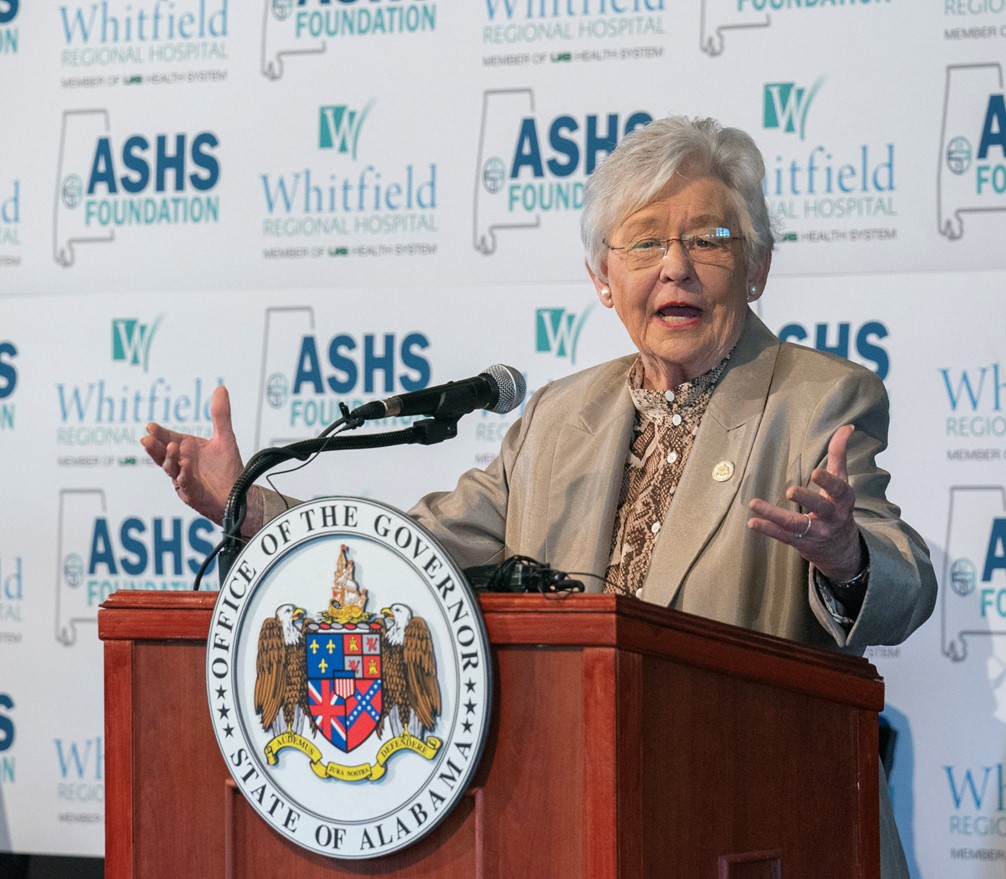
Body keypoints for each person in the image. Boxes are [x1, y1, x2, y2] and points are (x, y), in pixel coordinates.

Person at [142, 116, 936, 877]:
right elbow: (415, 550)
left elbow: (905, 581)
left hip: (756, 824)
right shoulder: (560, 415)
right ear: (602, 278)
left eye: (707, 238)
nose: (676, 265)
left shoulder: (819, 399)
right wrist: (254, 512)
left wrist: (845, 555)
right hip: (579, 819)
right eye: (646, 242)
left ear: (758, 265)